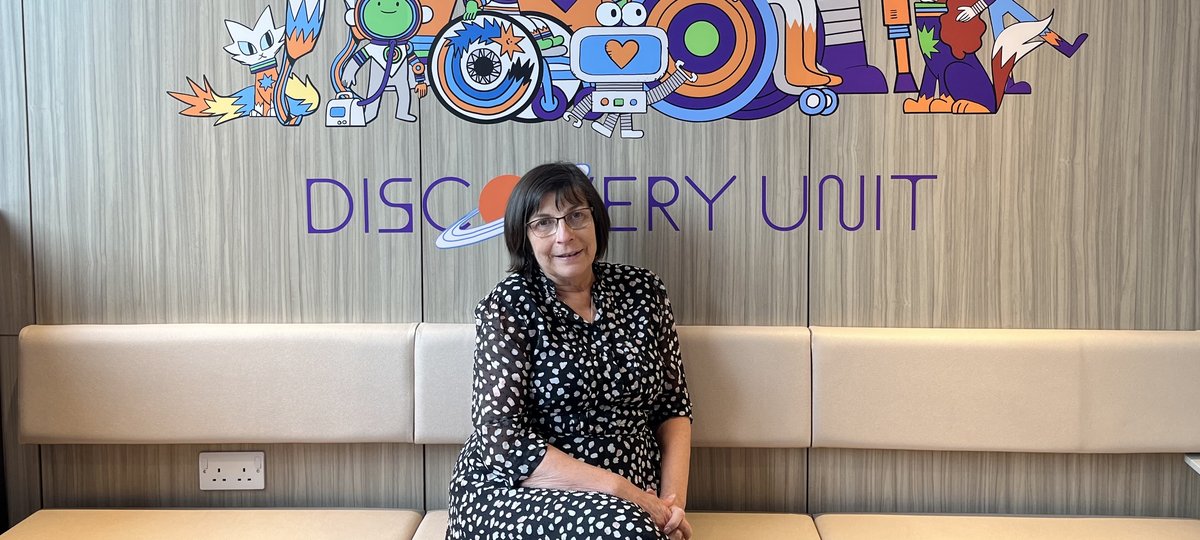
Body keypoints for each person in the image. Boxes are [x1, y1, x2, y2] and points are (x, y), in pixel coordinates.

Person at [446, 162, 694, 539]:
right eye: (543, 222)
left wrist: (671, 506)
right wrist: (618, 489)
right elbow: (500, 435)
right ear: (524, 236)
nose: (564, 235)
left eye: (576, 215)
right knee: (625, 530)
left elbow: (673, 408)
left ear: (595, 221)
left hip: (634, 498)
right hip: (521, 489)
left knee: (630, 528)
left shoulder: (644, 291)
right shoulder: (510, 304)